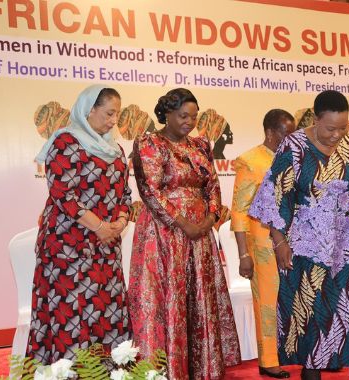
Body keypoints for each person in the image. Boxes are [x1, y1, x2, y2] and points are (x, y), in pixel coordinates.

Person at [249, 90, 349, 380]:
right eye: (330, 128)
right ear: (315, 118)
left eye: (343, 127)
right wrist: (280, 242)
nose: (337, 135)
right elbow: (276, 197)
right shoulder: (294, 146)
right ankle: (311, 372)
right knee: (311, 312)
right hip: (307, 244)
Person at [128, 88, 240, 379]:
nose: (190, 121)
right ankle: (167, 370)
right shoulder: (150, 143)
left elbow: (212, 186)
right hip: (165, 233)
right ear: (166, 113)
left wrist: (211, 217)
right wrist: (183, 223)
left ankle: (201, 367)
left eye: (194, 116)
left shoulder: (201, 145)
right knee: (169, 298)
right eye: (183, 116)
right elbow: (149, 190)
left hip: (200, 233)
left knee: (199, 296)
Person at [27, 85, 131, 363]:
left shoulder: (116, 150)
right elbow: (63, 194)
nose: (112, 121)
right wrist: (100, 227)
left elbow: (125, 194)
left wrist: (120, 222)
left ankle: (109, 371)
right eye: (109, 113)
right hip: (68, 246)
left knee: (106, 311)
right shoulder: (65, 142)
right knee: (71, 314)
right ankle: (67, 370)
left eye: (116, 115)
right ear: (89, 110)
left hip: (106, 247)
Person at [230, 109, 296, 379]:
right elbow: (239, 210)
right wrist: (244, 253)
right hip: (263, 243)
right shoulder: (250, 161)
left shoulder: (294, 158)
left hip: (295, 242)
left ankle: (299, 353)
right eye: (285, 134)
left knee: (296, 300)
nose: (290, 139)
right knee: (267, 302)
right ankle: (268, 360)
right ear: (270, 133)